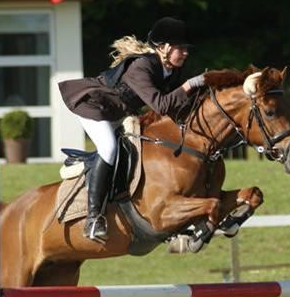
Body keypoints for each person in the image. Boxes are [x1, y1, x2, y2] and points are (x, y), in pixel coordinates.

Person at [59, 17, 205, 242]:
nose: (185, 53)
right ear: (163, 48)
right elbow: (161, 105)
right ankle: (94, 218)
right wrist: (189, 85)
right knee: (108, 149)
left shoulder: (170, 70)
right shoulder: (142, 66)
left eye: (186, 49)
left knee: (134, 146)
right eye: (181, 48)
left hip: (117, 112)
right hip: (93, 106)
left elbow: (174, 106)